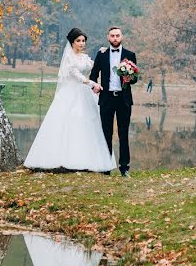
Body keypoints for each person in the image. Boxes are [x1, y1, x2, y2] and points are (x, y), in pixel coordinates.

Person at [23, 28, 115, 172]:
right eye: (78, 41)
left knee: (89, 123)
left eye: (83, 41)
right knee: (69, 121)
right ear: (72, 42)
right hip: (70, 93)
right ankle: (63, 159)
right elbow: (75, 74)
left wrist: (102, 52)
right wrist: (92, 83)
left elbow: (95, 65)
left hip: (84, 94)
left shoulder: (85, 57)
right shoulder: (68, 57)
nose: (81, 43)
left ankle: (88, 160)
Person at [89, 26, 137, 177]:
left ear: (121, 37)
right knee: (106, 133)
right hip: (106, 99)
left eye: (117, 35)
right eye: (112, 36)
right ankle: (106, 167)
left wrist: (130, 78)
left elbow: (135, 79)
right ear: (108, 37)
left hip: (124, 100)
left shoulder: (130, 55)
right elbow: (93, 75)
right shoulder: (101, 54)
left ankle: (125, 168)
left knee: (123, 134)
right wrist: (94, 86)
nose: (115, 38)